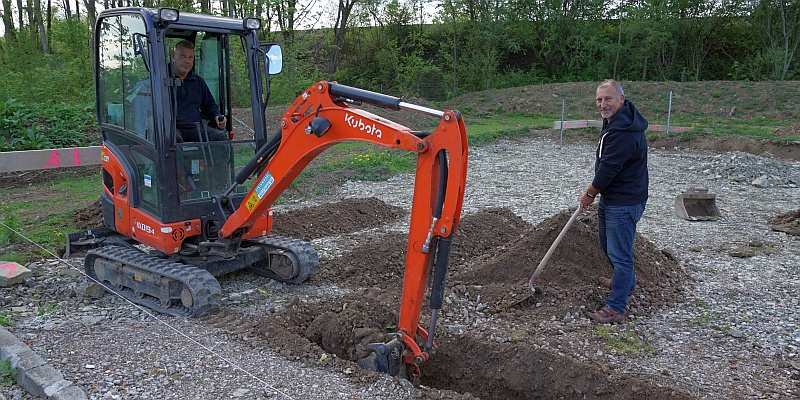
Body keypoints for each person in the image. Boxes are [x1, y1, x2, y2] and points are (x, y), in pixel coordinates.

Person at [580, 79, 649, 324]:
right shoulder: (617, 121)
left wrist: (589, 194)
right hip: (614, 196)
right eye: (599, 100)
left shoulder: (623, 132)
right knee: (607, 243)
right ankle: (625, 281)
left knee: (619, 254)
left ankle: (616, 307)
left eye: (608, 98)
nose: (603, 104)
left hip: (624, 201)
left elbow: (607, 170)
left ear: (621, 98)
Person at [171, 40, 228, 142]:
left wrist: (216, 116)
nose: (187, 61)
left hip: (194, 127)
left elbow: (209, 104)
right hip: (171, 127)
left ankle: (215, 159)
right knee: (172, 141)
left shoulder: (198, 81)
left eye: (190, 57)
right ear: (173, 55)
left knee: (219, 137)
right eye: (183, 56)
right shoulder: (162, 79)